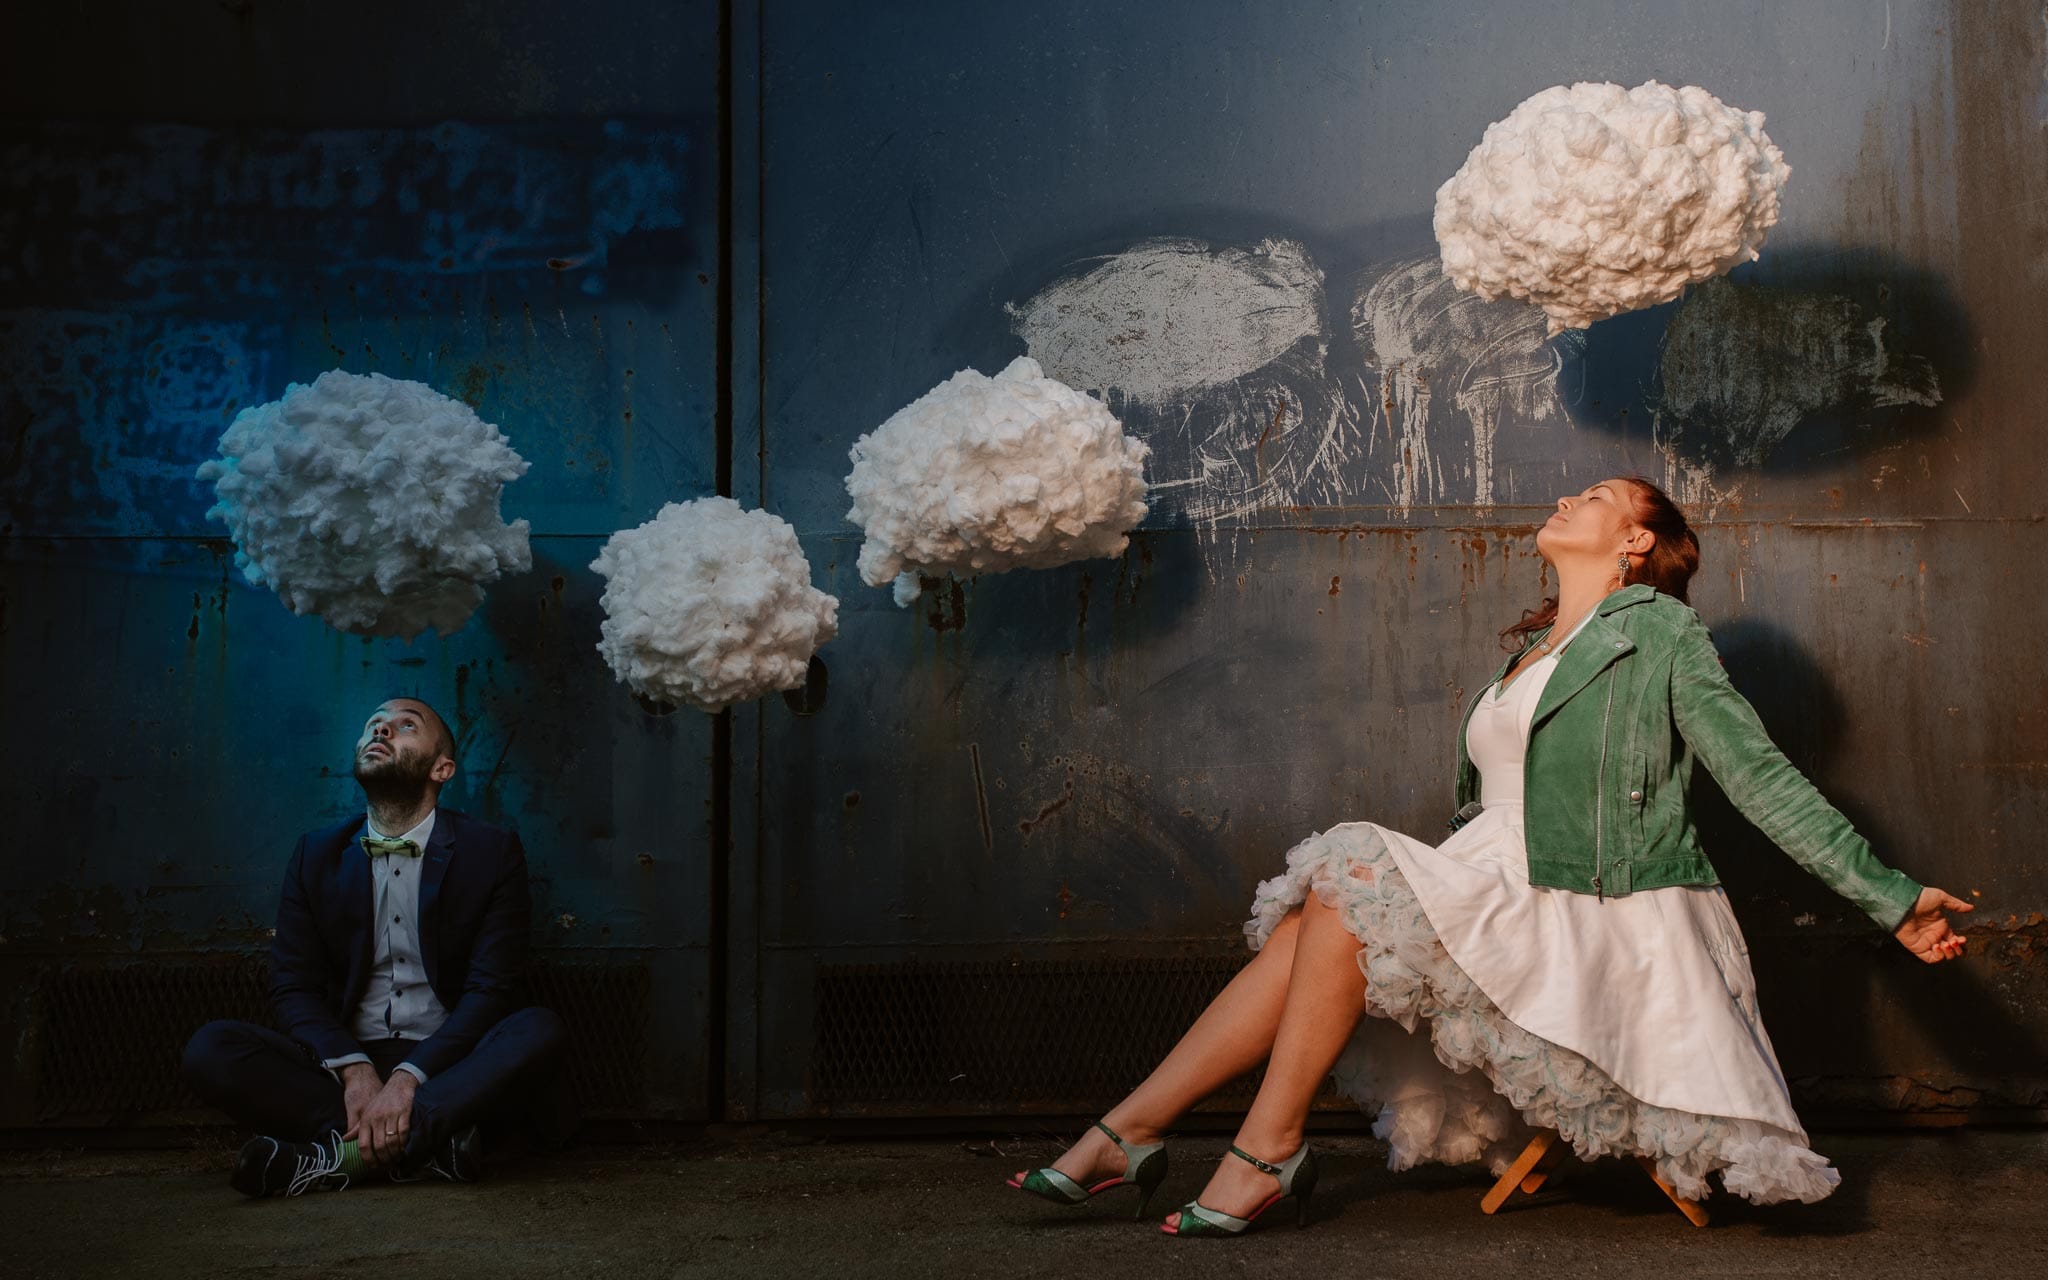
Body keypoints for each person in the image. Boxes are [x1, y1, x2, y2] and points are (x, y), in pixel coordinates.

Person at [1010, 477, 1973, 1236]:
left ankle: (1255, 1148)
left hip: (1599, 903)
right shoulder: (1522, 656)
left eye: (1594, 498)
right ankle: (1133, 1130)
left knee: (1347, 877)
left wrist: (1889, 896)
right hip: (1506, 876)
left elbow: (1759, 778)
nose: (1565, 502)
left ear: (1637, 541)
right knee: (1315, 920)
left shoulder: (1661, 634)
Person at [182, 697, 572, 1197]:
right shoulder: (315, 854)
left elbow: (490, 989)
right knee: (211, 1048)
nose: (383, 731)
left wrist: (409, 1079)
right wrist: (355, 1070)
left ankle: (336, 1159)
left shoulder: (491, 851)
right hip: (344, 1073)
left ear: (442, 768)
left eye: (406, 726)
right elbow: (292, 986)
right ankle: (427, 1152)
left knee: (539, 1030)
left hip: (451, 1069)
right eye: (374, 725)